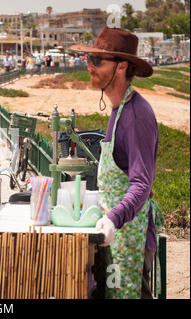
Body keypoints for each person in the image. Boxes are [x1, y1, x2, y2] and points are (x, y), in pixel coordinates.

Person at [70, 27, 164, 299]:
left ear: (122, 66)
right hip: (116, 234)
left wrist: (113, 217)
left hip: (129, 237)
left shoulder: (136, 116)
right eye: (89, 58)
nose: (90, 66)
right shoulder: (118, 109)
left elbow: (141, 184)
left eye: (98, 61)